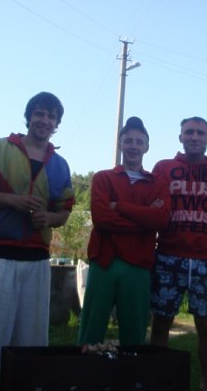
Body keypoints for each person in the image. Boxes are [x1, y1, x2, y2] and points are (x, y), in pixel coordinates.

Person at [0, 92, 75, 391]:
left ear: (57, 124)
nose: (45, 120)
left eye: (51, 116)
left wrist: (49, 218)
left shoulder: (60, 165)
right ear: (28, 117)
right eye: (39, 113)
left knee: (31, 343)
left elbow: (64, 211)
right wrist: (12, 201)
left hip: (37, 262)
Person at [150, 116, 207, 391]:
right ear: (180, 137)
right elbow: (152, 210)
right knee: (161, 323)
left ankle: (205, 382)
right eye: (189, 132)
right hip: (168, 257)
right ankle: (159, 380)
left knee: (206, 327)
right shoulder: (163, 168)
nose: (194, 137)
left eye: (200, 133)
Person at [78, 116, 171, 346]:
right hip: (104, 261)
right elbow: (102, 219)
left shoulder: (157, 182)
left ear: (147, 147)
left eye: (139, 142)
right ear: (120, 144)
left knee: (134, 332)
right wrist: (144, 219)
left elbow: (160, 219)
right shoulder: (103, 178)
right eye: (128, 141)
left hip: (138, 264)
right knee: (92, 328)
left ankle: (132, 368)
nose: (133, 146)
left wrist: (118, 206)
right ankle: (85, 367)